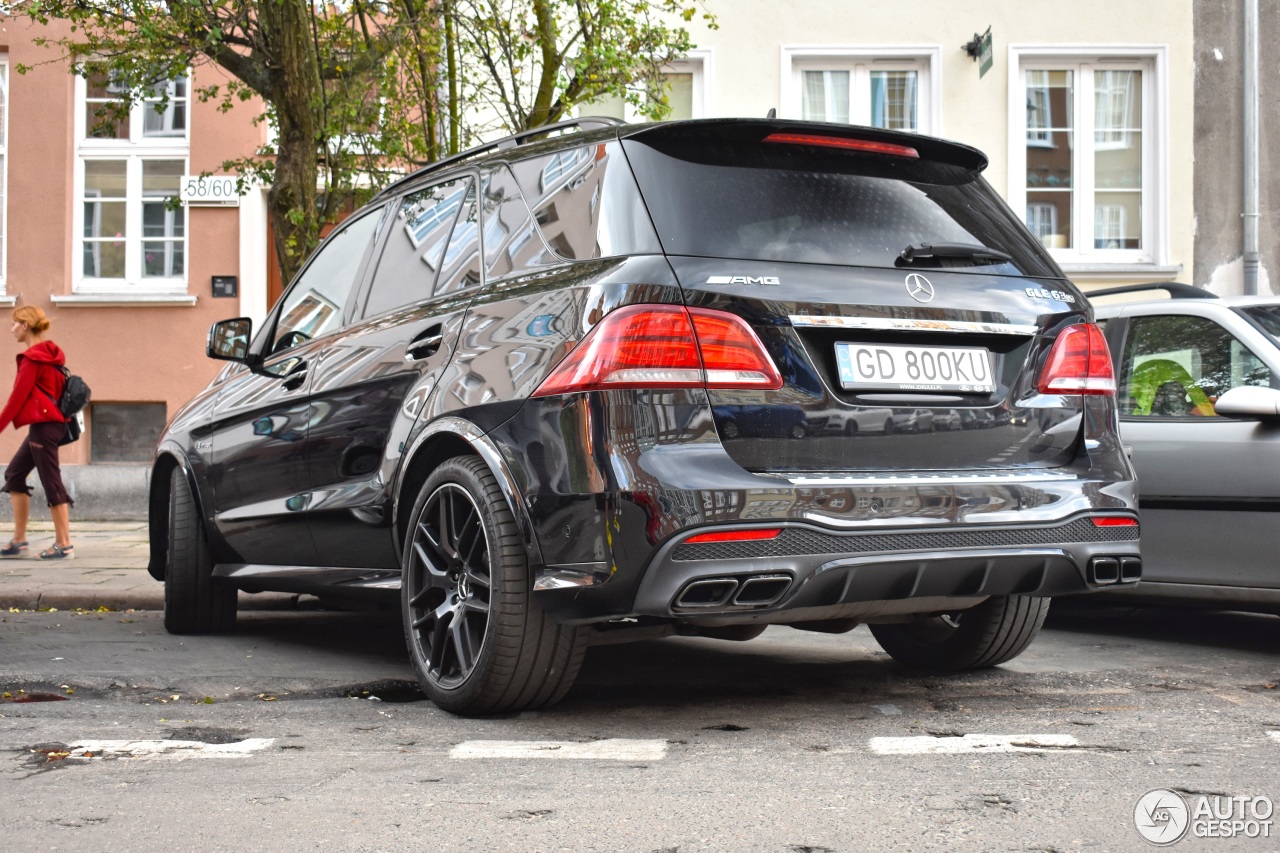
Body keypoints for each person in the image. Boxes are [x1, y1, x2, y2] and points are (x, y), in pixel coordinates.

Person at [0, 305, 73, 559]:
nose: (11, 329)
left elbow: (16, 400)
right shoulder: (51, 355)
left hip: (44, 429)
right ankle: (19, 540)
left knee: (51, 481)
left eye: (14, 324)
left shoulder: (33, 359)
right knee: (15, 473)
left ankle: (64, 544)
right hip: (48, 426)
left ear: (25, 325)